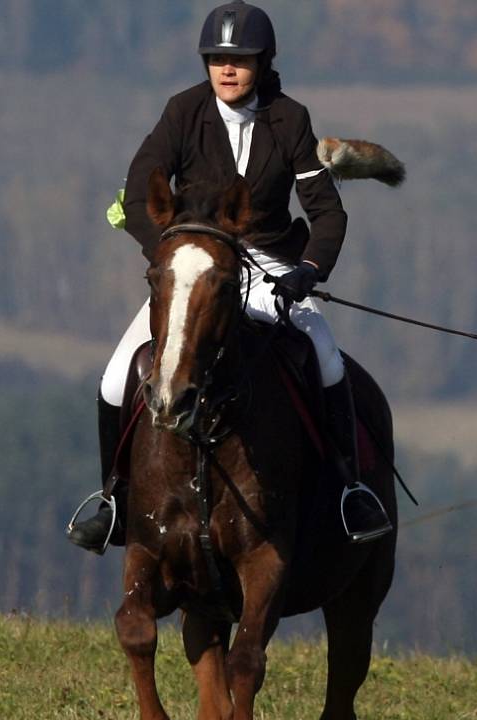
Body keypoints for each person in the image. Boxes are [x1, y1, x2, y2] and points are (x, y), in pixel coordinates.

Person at [67, 1, 392, 552]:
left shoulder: (290, 119)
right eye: (217, 58)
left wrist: (308, 271)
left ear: (263, 63)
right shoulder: (182, 112)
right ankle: (114, 499)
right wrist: (172, 255)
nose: (227, 69)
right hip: (194, 262)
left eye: (239, 59)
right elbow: (140, 192)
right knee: (116, 373)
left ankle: (348, 490)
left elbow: (327, 213)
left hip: (269, 262)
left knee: (327, 359)